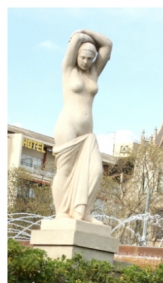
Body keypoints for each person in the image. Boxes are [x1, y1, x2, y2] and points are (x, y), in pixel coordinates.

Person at [52, 29, 112, 224]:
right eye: (83, 57)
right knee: (65, 170)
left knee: (95, 171)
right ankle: (61, 212)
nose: (86, 61)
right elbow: (76, 39)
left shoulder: (94, 72)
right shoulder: (68, 70)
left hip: (87, 134)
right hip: (67, 125)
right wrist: (80, 37)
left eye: (89, 58)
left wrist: (86, 31)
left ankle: (82, 212)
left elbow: (108, 45)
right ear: (76, 54)